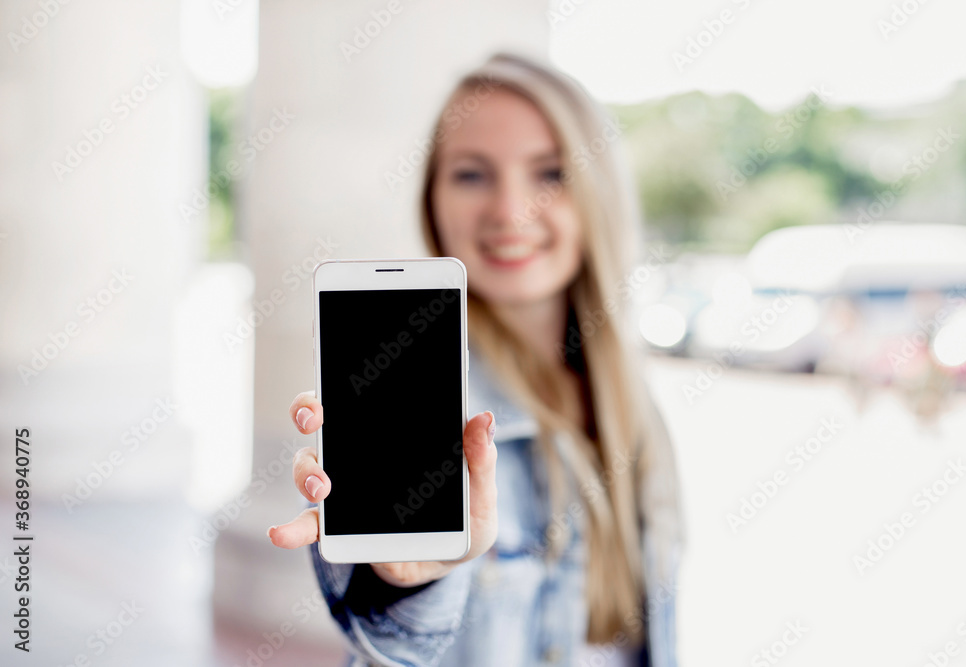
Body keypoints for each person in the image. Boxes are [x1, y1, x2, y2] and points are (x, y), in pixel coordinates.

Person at [268, 52, 684, 667]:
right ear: (432, 196)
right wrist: (405, 583)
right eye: (471, 174)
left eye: (550, 172)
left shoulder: (629, 398)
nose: (508, 212)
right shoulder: (409, 389)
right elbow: (390, 644)